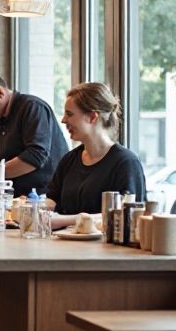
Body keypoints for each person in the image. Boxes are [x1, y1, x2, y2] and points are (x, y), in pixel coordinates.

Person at [46, 82, 146, 228]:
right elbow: (52, 200)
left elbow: (126, 215)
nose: (63, 120)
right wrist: (29, 206)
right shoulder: (69, 160)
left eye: (69, 114)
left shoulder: (126, 163)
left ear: (93, 117)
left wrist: (63, 220)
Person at [0, 68, 67, 197]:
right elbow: (1, 161)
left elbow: (35, 156)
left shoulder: (32, 107)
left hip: (43, 200)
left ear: (0, 93)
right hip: (18, 200)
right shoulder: (3, 119)